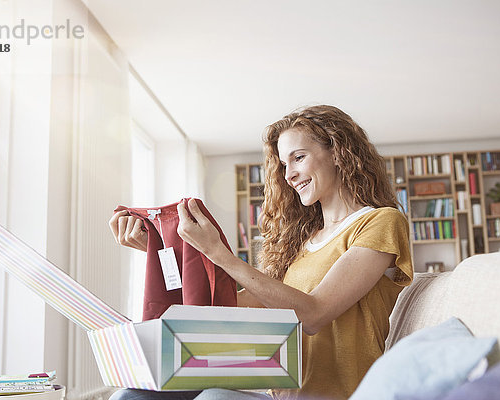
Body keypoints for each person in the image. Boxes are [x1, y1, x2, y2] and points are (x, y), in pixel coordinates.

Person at [108, 105, 413, 400]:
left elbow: (314, 314)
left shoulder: (380, 221)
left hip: (340, 396)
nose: (289, 174)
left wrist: (219, 253)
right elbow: (226, 306)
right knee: (131, 395)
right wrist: (160, 252)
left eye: (299, 157)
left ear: (337, 151)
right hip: (279, 394)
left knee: (215, 398)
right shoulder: (302, 242)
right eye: (283, 164)